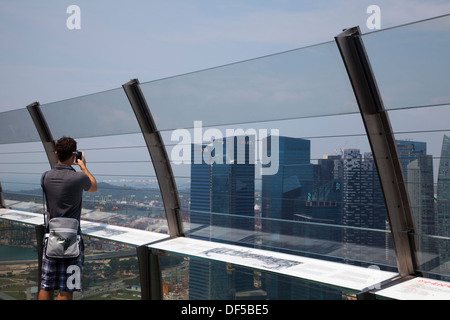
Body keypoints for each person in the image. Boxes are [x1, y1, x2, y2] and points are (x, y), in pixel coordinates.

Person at [38, 136, 97, 300]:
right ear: (74, 155)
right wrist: (83, 166)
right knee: (66, 289)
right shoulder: (79, 177)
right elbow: (94, 187)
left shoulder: (45, 177)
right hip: (72, 239)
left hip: (51, 237)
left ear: (56, 154)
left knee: (46, 285)